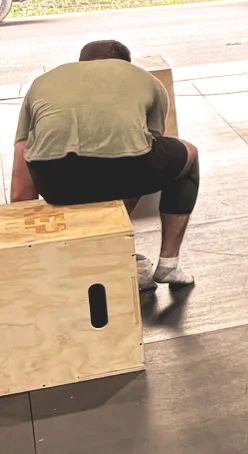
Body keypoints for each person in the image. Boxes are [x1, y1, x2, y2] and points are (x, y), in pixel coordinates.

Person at [9, 39, 200, 293]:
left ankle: (100, 256)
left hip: (54, 181)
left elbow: (22, 159)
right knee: (184, 154)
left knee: (123, 157)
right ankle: (168, 263)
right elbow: (149, 143)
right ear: (125, 64)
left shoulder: (44, 82)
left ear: (81, 64)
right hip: (126, 170)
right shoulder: (144, 79)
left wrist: (28, 251)